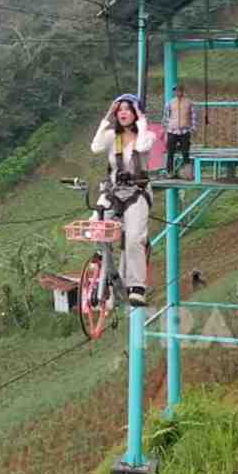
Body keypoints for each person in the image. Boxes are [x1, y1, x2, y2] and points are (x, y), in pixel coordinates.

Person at [91, 93, 155, 307]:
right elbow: (96, 147)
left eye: (128, 109)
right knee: (95, 227)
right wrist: (108, 116)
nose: (123, 113)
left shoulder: (147, 136)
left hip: (137, 192)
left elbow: (144, 147)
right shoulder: (112, 137)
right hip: (114, 191)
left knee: (134, 237)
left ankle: (137, 286)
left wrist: (142, 119)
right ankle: (110, 275)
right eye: (120, 110)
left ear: (136, 112)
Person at [164, 84, 198, 178]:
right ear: (174, 92)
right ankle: (169, 172)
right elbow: (166, 118)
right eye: (176, 90)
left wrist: (193, 128)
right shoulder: (169, 103)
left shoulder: (189, 103)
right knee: (170, 152)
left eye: (179, 90)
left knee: (185, 152)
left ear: (183, 91)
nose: (178, 92)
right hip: (172, 130)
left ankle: (188, 173)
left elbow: (194, 116)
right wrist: (165, 131)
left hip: (185, 131)